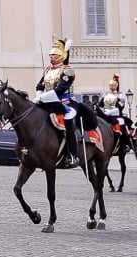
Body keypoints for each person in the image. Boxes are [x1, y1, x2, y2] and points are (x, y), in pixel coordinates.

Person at [32, 38, 80, 168]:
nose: (51, 57)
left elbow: (60, 90)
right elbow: (39, 86)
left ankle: (73, 155)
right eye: (50, 55)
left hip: (66, 102)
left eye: (54, 55)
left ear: (61, 56)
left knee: (68, 120)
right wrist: (39, 96)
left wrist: (42, 98)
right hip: (49, 102)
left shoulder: (67, 70)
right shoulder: (48, 70)